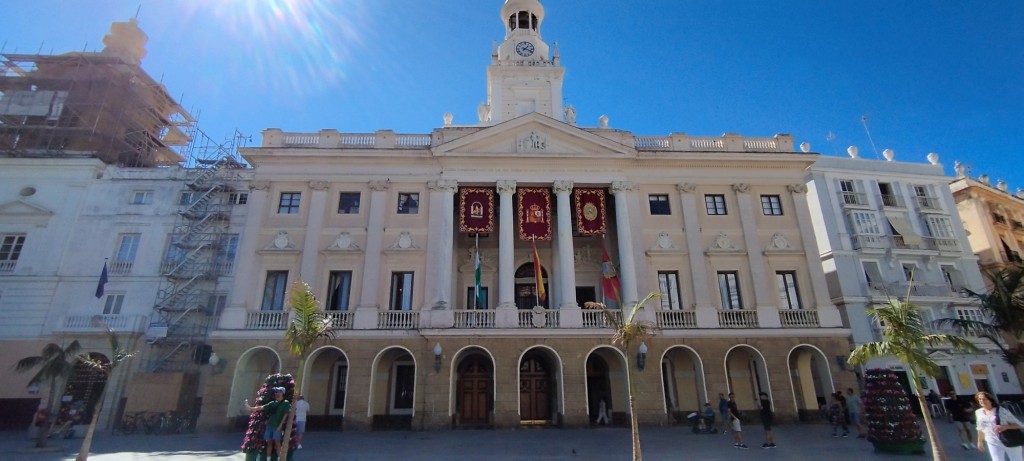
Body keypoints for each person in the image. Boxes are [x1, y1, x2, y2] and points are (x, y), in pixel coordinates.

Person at [244, 387, 291, 461]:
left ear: (282, 393)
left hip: (277, 426)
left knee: (277, 443)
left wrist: (280, 425)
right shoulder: (273, 403)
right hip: (269, 425)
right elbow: (261, 407)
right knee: (269, 442)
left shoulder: (285, 403)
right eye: (275, 392)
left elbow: (286, 414)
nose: (276, 393)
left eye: (278, 392)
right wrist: (250, 408)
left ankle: (280, 459)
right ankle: (268, 459)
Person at [975, 391, 1024, 461]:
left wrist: (1006, 427)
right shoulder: (978, 412)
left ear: (990, 400)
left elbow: (1020, 425)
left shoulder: (1002, 411)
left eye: (984, 399)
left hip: (1009, 440)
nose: (982, 401)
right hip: (992, 442)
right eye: (980, 399)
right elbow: (980, 428)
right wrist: (980, 441)